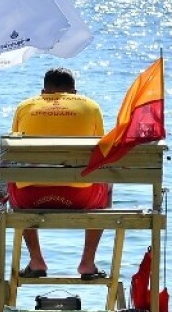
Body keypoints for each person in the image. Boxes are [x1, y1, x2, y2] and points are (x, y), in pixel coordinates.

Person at [8, 67, 109, 280]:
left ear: (43, 91)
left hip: (30, 199)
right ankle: (87, 263)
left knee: (14, 178)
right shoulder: (91, 106)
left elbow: (14, 154)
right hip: (81, 198)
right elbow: (102, 153)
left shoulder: (24, 107)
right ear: (74, 92)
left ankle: (36, 260)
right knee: (105, 179)